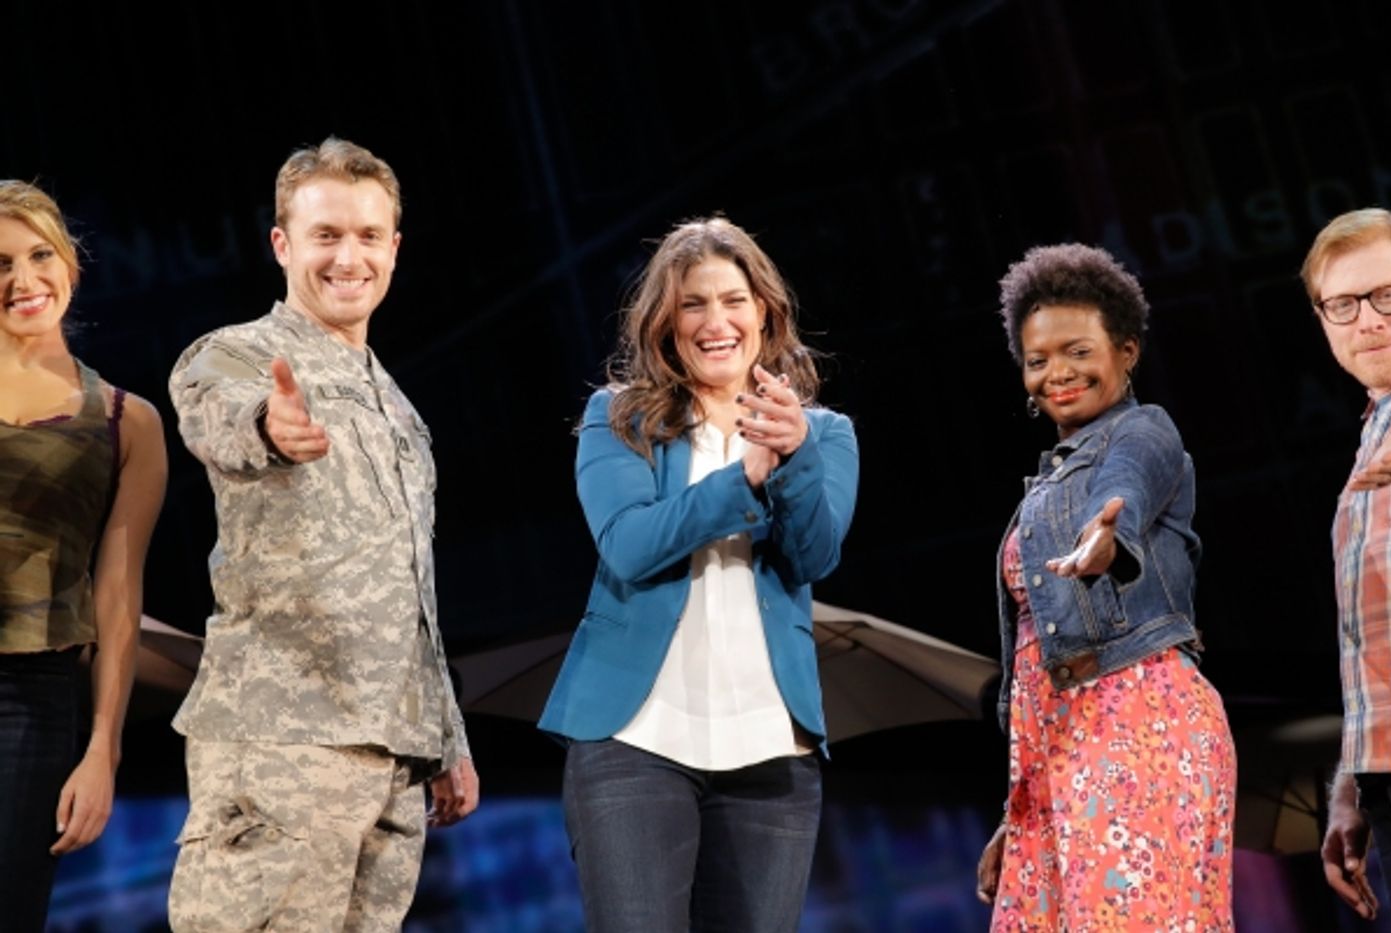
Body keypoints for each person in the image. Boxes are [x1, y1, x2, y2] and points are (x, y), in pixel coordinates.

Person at [166, 137, 478, 932]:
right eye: (326, 235)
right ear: (283, 244)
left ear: (395, 248)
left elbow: (415, 588)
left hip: (395, 758)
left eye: (369, 236)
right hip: (283, 739)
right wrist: (270, 423)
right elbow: (216, 414)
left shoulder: (399, 405)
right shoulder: (236, 354)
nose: (350, 257)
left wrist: (448, 734)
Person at [538, 216, 859, 932]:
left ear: (765, 312)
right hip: (634, 741)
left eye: (734, 300)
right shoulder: (618, 419)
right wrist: (742, 479)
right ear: (665, 323)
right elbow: (628, 544)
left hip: (771, 751)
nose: (716, 321)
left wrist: (796, 458)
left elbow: (813, 554)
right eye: (693, 304)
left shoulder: (824, 434)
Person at [975, 243, 1236, 930]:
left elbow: (1132, 480)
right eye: (1038, 360)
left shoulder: (1144, 431)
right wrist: (1021, 805)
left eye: (1078, 351)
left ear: (1126, 352)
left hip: (1137, 723)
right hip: (1056, 747)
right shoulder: (1048, 481)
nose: (1057, 372)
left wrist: (1106, 536)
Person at [0, 180, 167, 931]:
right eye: (0, 263)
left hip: (31, 700)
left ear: (70, 264)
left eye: (40, 255)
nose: (24, 280)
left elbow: (118, 594)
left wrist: (104, 747)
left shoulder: (128, 422)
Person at [1308, 208, 1391, 927]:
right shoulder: (1374, 430)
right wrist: (1352, 786)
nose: (1366, 319)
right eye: (1342, 303)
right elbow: (1372, 642)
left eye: (1388, 295)